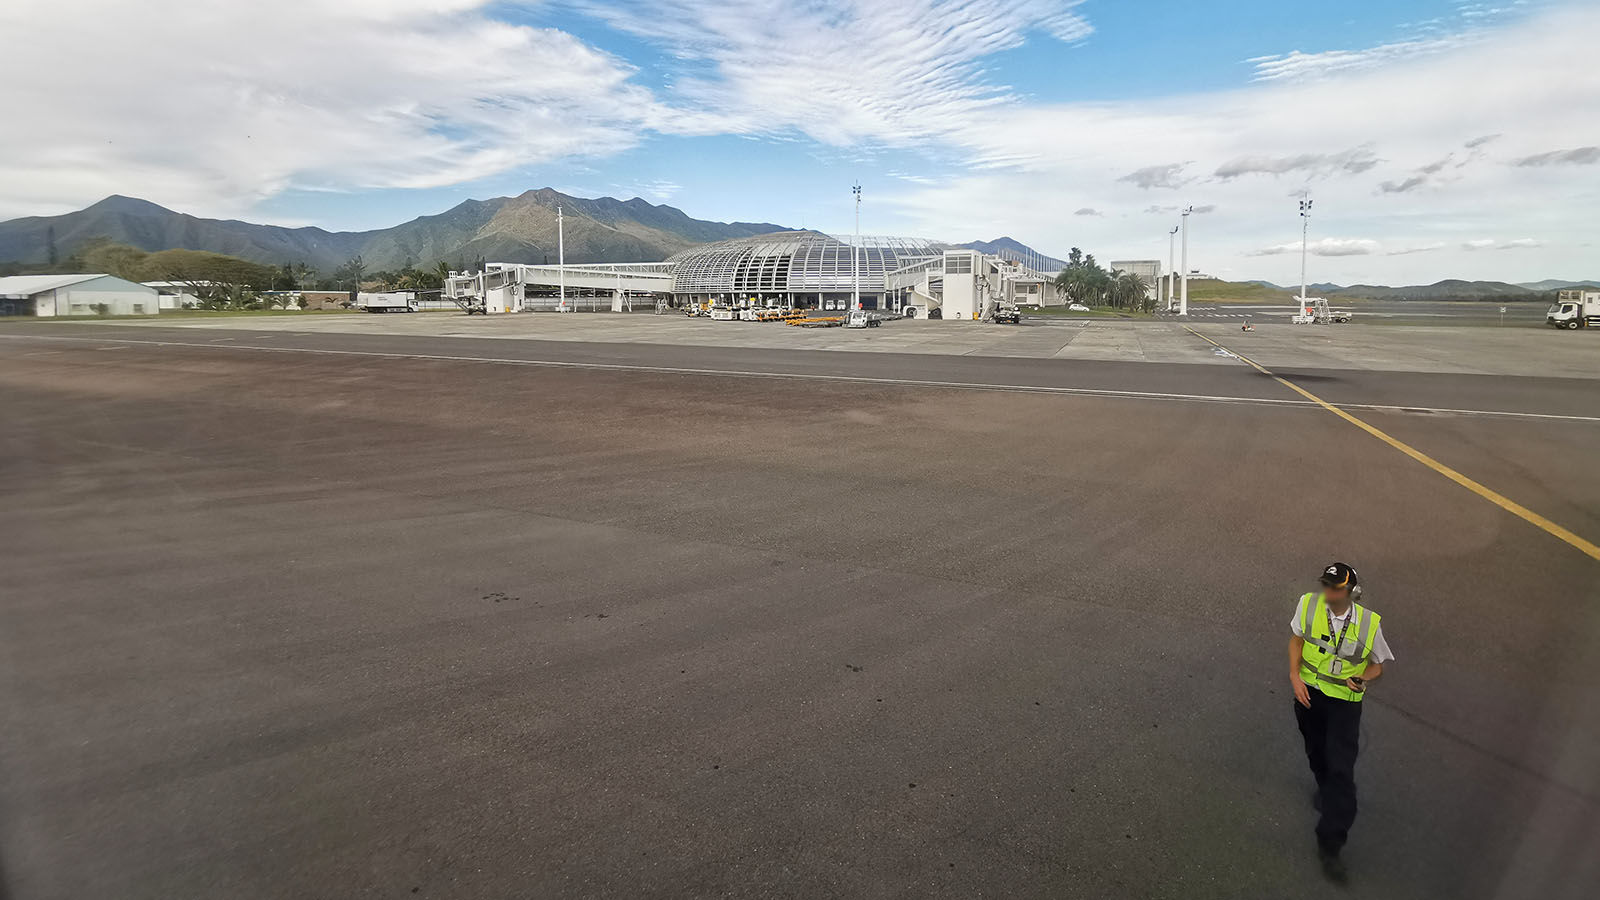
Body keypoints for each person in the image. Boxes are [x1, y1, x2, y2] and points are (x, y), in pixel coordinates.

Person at [1288, 562, 1394, 882]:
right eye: (1325, 584)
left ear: (1350, 591)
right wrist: (1294, 675)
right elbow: (1296, 639)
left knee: (1341, 772)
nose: (1328, 591)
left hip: (1344, 706)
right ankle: (1325, 789)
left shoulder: (1368, 624)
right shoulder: (1308, 605)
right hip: (1309, 698)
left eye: (1334, 587)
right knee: (1316, 753)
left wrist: (1364, 678)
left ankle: (1331, 843)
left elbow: (1379, 666)